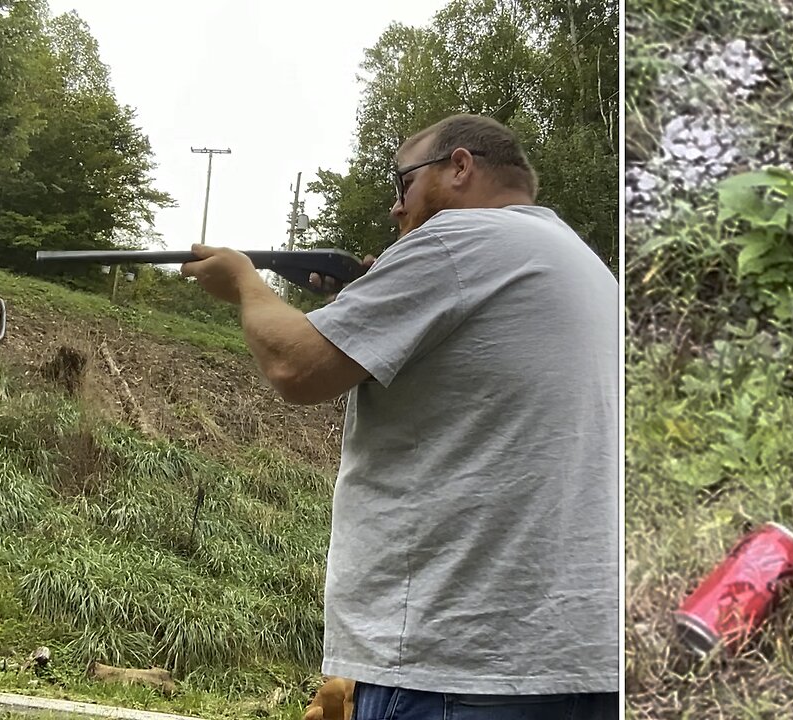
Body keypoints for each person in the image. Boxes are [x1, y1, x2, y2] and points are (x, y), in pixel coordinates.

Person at [180, 114, 619, 720]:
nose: (395, 208)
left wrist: (245, 284)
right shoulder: (581, 262)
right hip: (583, 661)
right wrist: (362, 306)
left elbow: (297, 368)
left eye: (402, 183)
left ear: (459, 168)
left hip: (456, 664)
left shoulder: (459, 240)